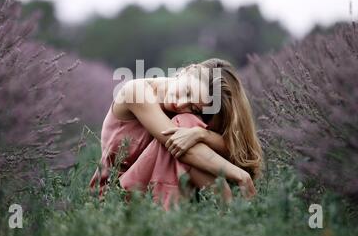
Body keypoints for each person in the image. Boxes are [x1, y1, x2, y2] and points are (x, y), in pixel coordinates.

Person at [90, 58, 263, 210]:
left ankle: (227, 213)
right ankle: (230, 211)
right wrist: (239, 175)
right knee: (185, 124)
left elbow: (235, 147)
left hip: (146, 189)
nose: (180, 104)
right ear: (187, 71)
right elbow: (181, 146)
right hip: (114, 198)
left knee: (189, 125)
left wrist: (201, 134)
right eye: (187, 92)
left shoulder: (190, 117)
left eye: (193, 107)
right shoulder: (136, 92)